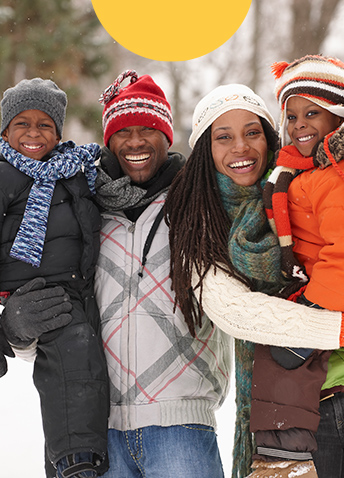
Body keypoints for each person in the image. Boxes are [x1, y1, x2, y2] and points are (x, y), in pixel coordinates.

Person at [164, 82, 344, 478]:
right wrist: (339, 328)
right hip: (288, 407)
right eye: (223, 137)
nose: (241, 148)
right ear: (205, 151)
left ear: (270, 136)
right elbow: (238, 314)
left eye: (252, 132)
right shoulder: (200, 222)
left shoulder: (306, 185)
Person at [90, 69, 232, 478]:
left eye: (148, 129)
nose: (135, 142)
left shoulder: (201, 202)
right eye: (123, 131)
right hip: (102, 430)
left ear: (166, 136)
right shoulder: (88, 209)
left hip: (181, 425)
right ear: (109, 140)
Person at [0, 78, 109, 478]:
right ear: (4, 131)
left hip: (78, 284)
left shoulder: (74, 171)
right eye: (21, 124)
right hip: (36, 288)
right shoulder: (4, 174)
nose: (33, 133)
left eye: (44, 124)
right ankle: (76, 460)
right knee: (73, 353)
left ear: (59, 132)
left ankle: (63, 459)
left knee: (80, 367)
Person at [260, 54, 344, 477]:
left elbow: (342, 255)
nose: (300, 124)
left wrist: (310, 314)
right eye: (291, 116)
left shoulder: (334, 176)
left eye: (313, 112)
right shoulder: (299, 171)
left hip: (326, 312)